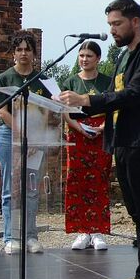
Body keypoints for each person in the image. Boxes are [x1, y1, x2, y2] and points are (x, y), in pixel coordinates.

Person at [60, 0, 140, 279]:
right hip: (122, 142)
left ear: (135, 21)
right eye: (109, 24)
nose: (112, 30)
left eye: (117, 24)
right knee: (137, 213)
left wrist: (86, 101)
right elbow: (117, 92)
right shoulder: (125, 56)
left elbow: (134, 95)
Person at [0, 30, 52, 255]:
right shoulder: (5, 78)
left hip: (37, 138)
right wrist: (23, 133)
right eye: (19, 49)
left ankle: (31, 236)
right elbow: (2, 111)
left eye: (28, 49)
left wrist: (35, 136)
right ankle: (10, 237)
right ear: (13, 53)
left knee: (32, 189)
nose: (23, 53)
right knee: (10, 188)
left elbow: (48, 110)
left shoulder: (42, 79)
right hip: (10, 137)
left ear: (34, 54)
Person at [61, 40, 113, 251]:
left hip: (101, 132)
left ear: (98, 59)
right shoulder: (71, 82)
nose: (84, 59)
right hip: (77, 132)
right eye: (81, 56)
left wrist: (101, 126)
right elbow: (64, 110)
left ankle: (98, 229)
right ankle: (82, 230)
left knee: (100, 179)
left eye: (89, 56)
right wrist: (77, 127)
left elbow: (113, 106)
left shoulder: (107, 82)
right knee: (77, 180)